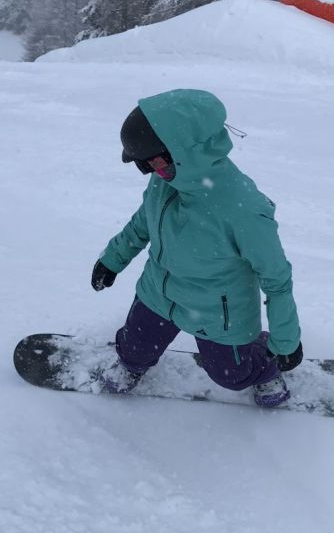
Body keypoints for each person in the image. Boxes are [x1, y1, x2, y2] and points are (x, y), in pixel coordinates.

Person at [91, 89, 302, 407]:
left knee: (233, 375)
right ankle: (132, 365)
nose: (150, 172)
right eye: (144, 165)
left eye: (153, 162)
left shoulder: (243, 209)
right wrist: (113, 259)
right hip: (158, 293)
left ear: (184, 152)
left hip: (218, 312)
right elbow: (144, 221)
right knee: (133, 350)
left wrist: (285, 340)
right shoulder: (166, 180)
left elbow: (276, 278)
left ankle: (265, 366)